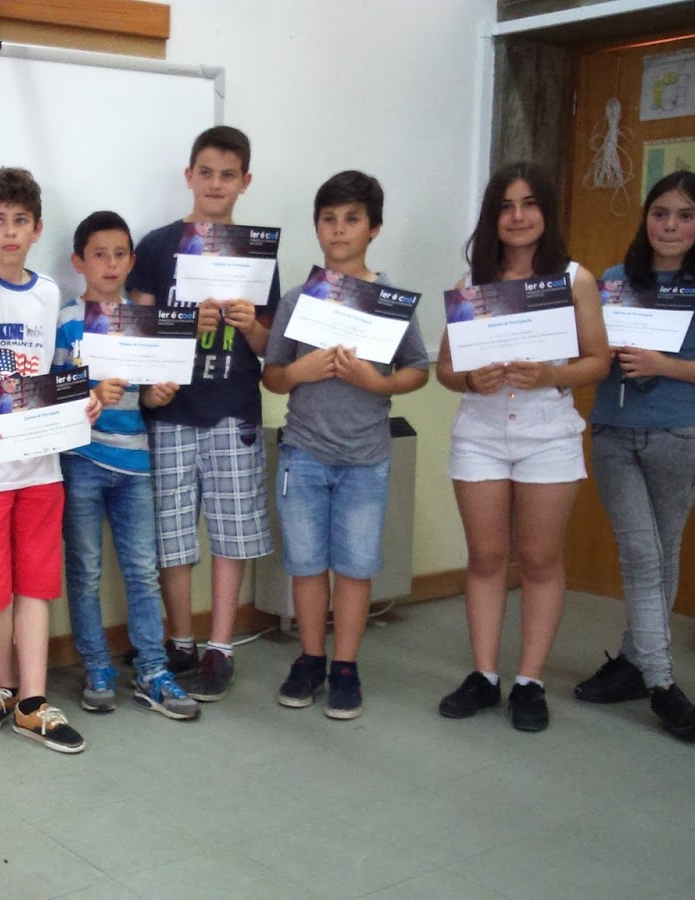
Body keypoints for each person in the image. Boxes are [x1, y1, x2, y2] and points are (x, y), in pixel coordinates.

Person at [573, 171, 695, 742]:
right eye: (660, 213)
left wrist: (663, 364)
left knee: (659, 553)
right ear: (645, 218)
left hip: (678, 436)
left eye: (685, 215)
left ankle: (640, 667)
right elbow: (588, 354)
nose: (670, 226)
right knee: (641, 553)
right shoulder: (614, 282)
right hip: (613, 434)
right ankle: (659, 682)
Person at [434, 161, 609, 732]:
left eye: (529, 203)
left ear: (546, 211)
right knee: (486, 558)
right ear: (492, 216)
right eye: (506, 206)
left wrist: (551, 374)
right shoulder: (472, 285)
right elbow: (446, 369)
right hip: (481, 433)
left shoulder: (575, 280)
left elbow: (598, 361)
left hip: (547, 433)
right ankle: (484, 676)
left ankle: (530, 682)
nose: (517, 216)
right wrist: (470, 378)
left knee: (538, 560)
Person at [261, 171, 429, 720]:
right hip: (304, 453)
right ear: (316, 227)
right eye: (328, 219)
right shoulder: (297, 300)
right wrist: (301, 371)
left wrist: (377, 383)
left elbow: (418, 368)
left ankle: (346, 667)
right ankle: (311, 658)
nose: (339, 229)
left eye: (352, 219)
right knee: (306, 564)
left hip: (365, 460)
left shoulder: (390, 302)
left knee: (356, 568)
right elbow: (274, 376)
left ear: (373, 228)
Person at [0, 167, 100, 753]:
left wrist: (82, 402)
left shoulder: (48, 293)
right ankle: (2, 686)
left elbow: (58, 373)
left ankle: (33, 701)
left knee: (36, 582)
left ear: (37, 229)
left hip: (40, 466)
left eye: (20, 221)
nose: (9, 232)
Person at [125, 125, 280, 701]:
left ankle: (220, 645)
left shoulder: (257, 252)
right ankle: (181, 640)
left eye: (228, 175)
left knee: (232, 530)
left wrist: (251, 324)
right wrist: (186, 325)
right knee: (171, 531)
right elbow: (137, 333)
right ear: (189, 176)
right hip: (171, 409)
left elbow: (268, 346)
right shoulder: (158, 245)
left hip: (233, 407)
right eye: (206, 172)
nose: (216, 184)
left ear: (245, 181)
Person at [53, 209, 199, 720]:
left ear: (132, 261)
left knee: (142, 571)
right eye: (99, 255)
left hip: (135, 462)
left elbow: (149, 398)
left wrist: (158, 395)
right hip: (82, 461)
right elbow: (50, 392)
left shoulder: (145, 322)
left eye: (119, 255)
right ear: (79, 262)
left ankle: (153, 670)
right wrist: (89, 393)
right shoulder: (68, 320)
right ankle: (96, 666)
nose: (110, 264)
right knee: (85, 570)